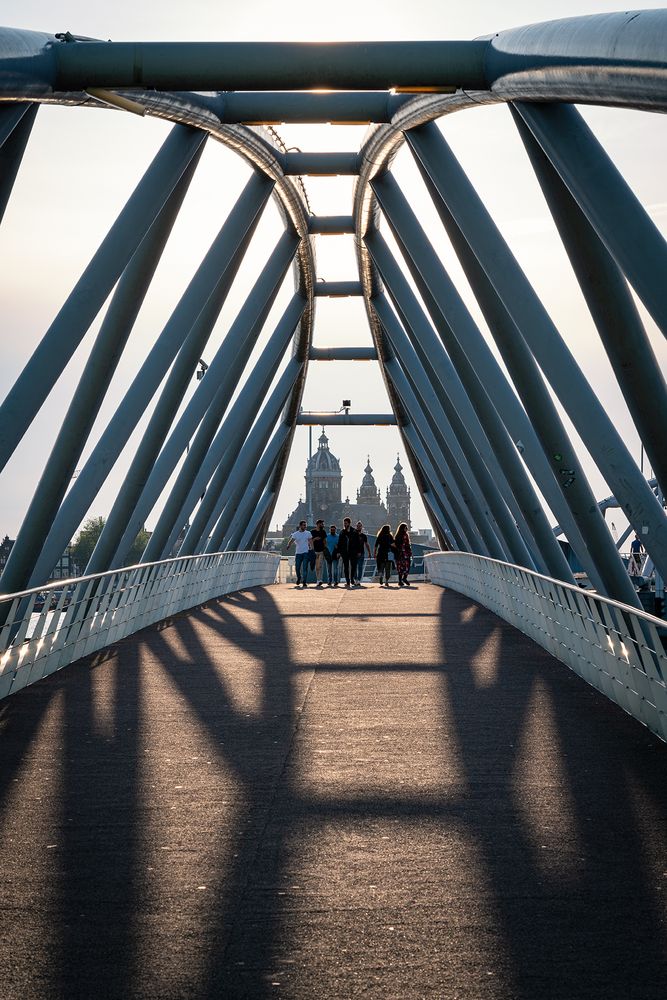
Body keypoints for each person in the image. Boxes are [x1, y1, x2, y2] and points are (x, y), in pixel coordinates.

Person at [286, 519, 313, 587]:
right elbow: (291, 541)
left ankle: (304, 581)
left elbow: (310, 541)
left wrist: (312, 548)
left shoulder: (308, 533)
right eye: (304, 525)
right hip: (298, 553)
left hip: (305, 552)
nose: (305, 527)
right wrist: (288, 545)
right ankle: (299, 578)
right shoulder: (296, 534)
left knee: (304, 568)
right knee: (297, 568)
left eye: (305, 525)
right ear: (300, 526)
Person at [337, 517, 359, 588]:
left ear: (349, 523)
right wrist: (339, 552)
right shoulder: (342, 532)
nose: (344, 524)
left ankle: (352, 578)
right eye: (344, 523)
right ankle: (348, 581)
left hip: (353, 552)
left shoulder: (354, 531)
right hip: (344, 552)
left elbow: (357, 542)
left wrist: (358, 551)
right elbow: (339, 543)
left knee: (353, 566)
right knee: (346, 567)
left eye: (346, 523)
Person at [310, 518, 328, 588]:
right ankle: (318, 580)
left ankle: (320, 580)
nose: (323, 525)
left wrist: (325, 549)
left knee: (320, 565)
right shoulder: (312, 532)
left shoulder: (323, 532)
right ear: (318, 524)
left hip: (321, 551)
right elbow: (310, 541)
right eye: (322, 524)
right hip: (314, 551)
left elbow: (325, 541)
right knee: (317, 567)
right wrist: (315, 539)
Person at [394, 521, 412, 586]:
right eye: (405, 528)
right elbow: (405, 545)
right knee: (403, 567)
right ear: (402, 528)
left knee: (403, 567)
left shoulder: (402, 535)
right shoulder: (402, 535)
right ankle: (402, 579)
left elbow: (407, 545)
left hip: (403, 554)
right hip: (402, 554)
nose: (406, 529)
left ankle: (402, 579)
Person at [355, 521, 372, 587]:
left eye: (360, 526)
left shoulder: (364, 536)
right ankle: (355, 579)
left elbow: (366, 544)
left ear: (362, 527)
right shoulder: (354, 534)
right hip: (354, 553)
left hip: (361, 553)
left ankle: (359, 580)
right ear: (356, 526)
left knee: (360, 567)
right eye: (358, 526)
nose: (359, 527)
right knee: (354, 567)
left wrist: (369, 553)